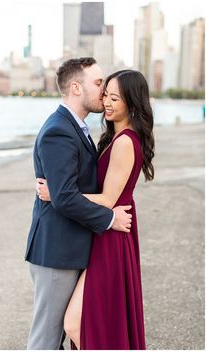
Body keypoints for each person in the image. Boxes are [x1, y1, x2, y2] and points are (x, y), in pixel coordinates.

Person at [38, 69, 155, 349]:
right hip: (104, 233)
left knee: (75, 323)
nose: (108, 103)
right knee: (100, 318)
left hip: (112, 235)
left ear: (132, 103)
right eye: (106, 96)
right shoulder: (112, 137)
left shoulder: (126, 141)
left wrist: (57, 194)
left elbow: (107, 199)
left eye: (116, 98)